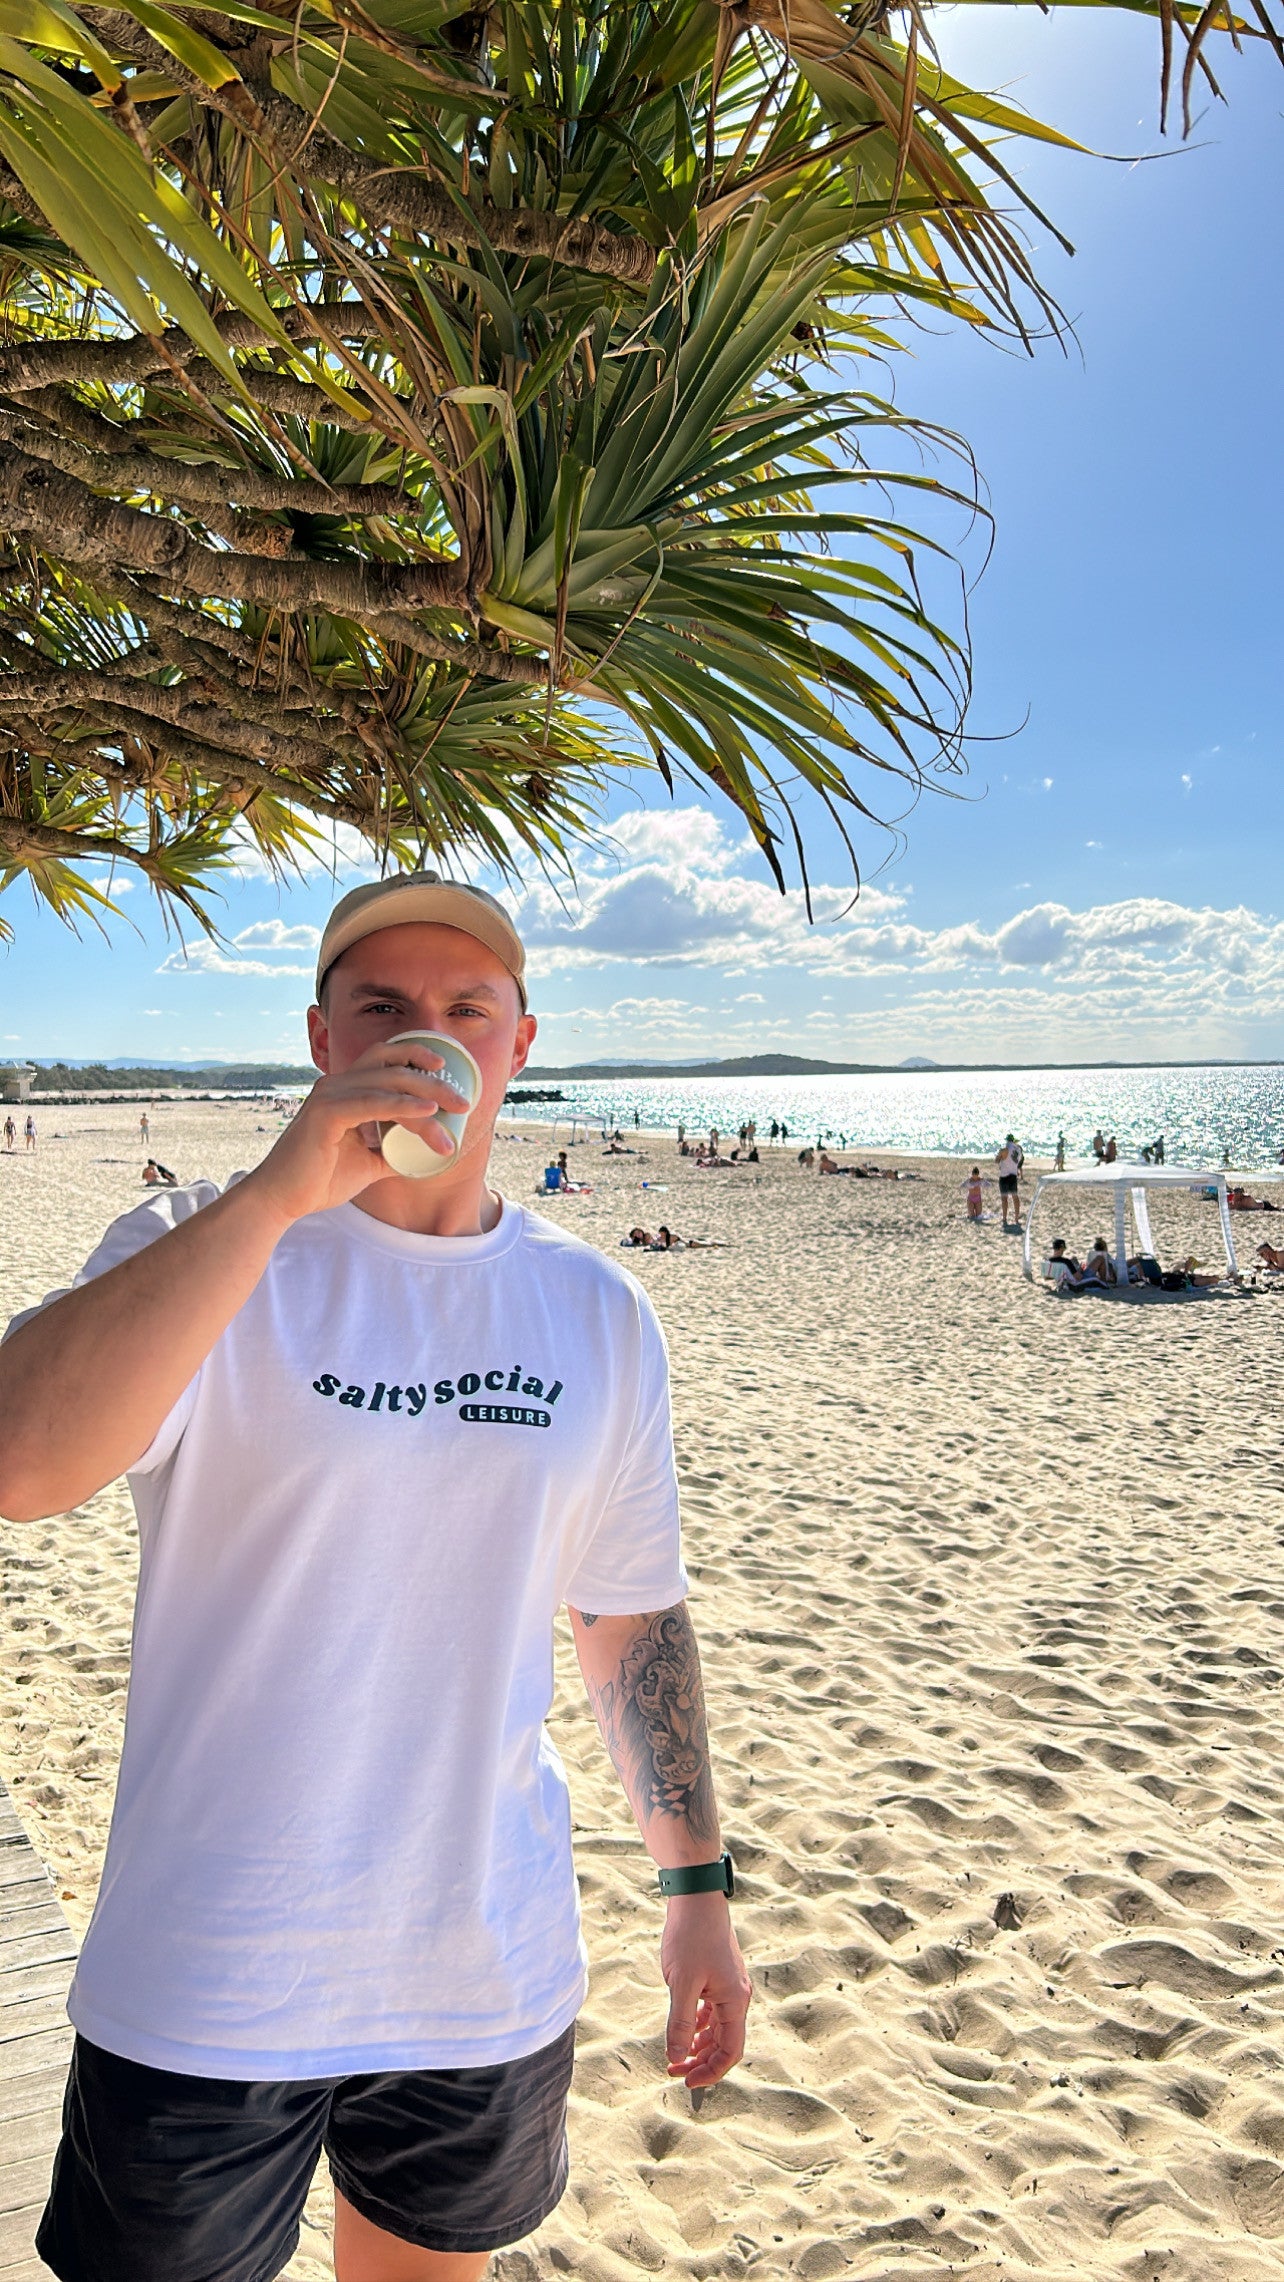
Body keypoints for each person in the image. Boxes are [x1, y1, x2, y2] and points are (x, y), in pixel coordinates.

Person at [0, 870, 749, 2282]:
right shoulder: (202, 1247)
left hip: (477, 1971)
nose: (429, 1036)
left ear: (519, 1045)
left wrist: (695, 1885)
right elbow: (21, 1462)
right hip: (204, 1973)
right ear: (322, 1039)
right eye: (384, 1006)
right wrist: (287, 1190)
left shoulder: (596, 1309)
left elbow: (628, 1613)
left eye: (468, 1007)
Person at [994, 1134, 1023, 1229]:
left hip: (1004, 1176)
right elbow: (1019, 1161)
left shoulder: (1005, 1149)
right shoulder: (1018, 1150)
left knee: (1004, 1198)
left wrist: (1000, 1156)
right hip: (1013, 1175)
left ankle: (1005, 1218)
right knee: (1015, 1196)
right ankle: (1016, 1218)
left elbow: (997, 1160)